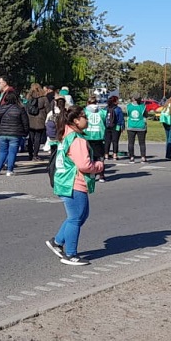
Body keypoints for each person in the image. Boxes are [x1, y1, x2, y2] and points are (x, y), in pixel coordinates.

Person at [45, 106, 104, 266]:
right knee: (76, 218)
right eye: (84, 116)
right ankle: (70, 254)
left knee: (79, 216)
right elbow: (84, 165)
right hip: (73, 183)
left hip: (66, 181)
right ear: (76, 120)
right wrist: (99, 166)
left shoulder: (68, 135)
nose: (87, 119)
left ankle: (57, 241)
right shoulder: (77, 140)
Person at [0, 89, 29, 176]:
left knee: (2, 151)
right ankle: (9, 170)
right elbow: (25, 122)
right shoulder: (20, 109)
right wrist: (25, 132)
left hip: (2, 133)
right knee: (12, 152)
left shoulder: (1, 108)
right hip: (15, 134)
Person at [83, 95, 107, 178]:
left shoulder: (85, 111)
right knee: (100, 156)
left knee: (89, 156)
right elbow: (105, 122)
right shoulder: (102, 112)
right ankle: (101, 174)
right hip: (99, 135)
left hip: (87, 135)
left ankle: (91, 174)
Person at [26, 83, 50, 161]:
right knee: (38, 138)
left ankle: (30, 154)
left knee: (31, 137)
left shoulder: (29, 98)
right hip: (40, 120)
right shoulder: (43, 98)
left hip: (30, 120)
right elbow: (48, 110)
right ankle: (35, 155)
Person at [125, 95, 148, 163]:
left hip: (131, 126)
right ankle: (143, 157)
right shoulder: (143, 106)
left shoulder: (128, 106)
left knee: (131, 143)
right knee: (142, 143)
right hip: (141, 126)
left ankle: (131, 158)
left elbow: (128, 114)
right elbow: (146, 115)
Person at [103, 95, 124, 160]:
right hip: (116, 126)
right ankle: (115, 154)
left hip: (107, 126)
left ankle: (106, 154)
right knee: (115, 141)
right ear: (115, 101)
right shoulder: (118, 109)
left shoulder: (105, 108)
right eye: (117, 100)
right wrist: (122, 126)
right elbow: (121, 119)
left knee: (107, 141)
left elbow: (103, 118)